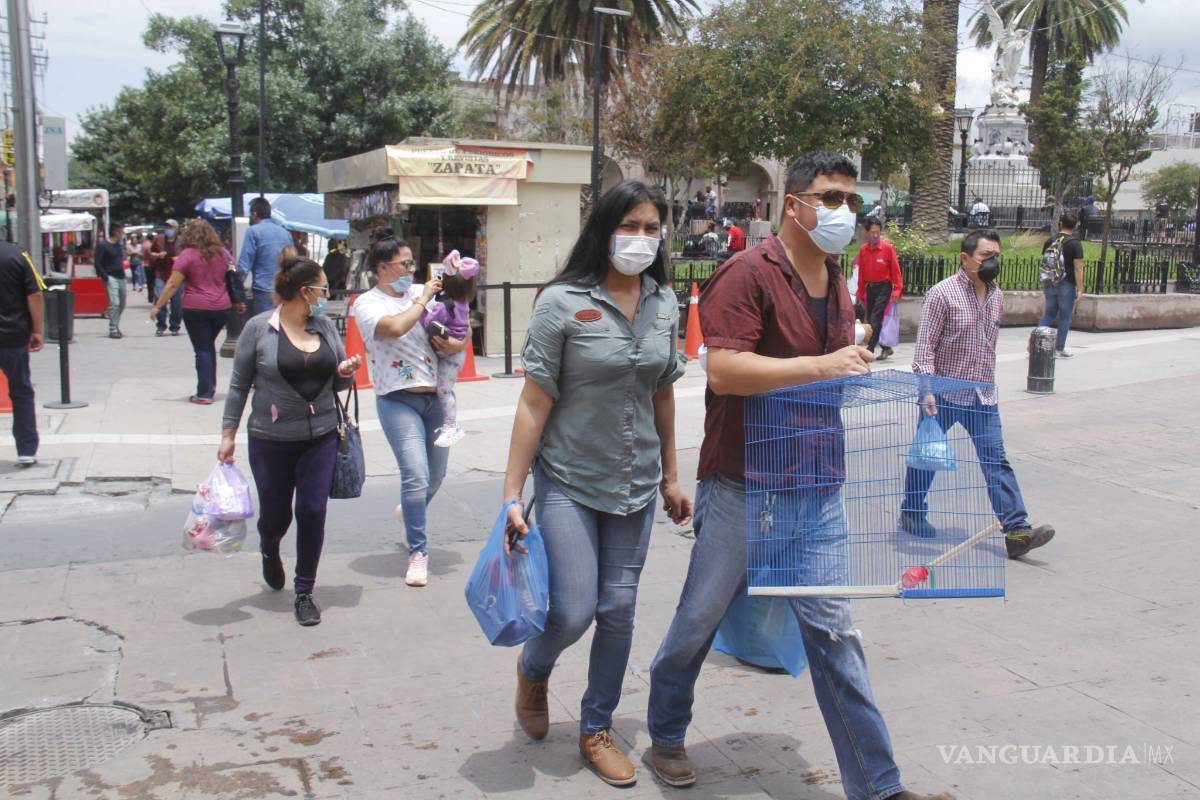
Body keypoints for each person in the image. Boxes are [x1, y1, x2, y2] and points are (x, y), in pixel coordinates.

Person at [645, 152, 952, 800]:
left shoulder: (835, 279)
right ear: (795, 204)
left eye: (849, 199)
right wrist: (824, 365)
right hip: (743, 490)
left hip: (818, 489)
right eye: (830, 196)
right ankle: (666, 733)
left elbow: (833, 366)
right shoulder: (746, 273)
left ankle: (880, 785)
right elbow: (724, 370)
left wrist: (854, 365)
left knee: (837, 637)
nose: (843, 211)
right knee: (696, 624)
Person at [504, 180, 690, 787]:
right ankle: (534, 668)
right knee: (574, 609)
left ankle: (595, 727)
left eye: (650, 228)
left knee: (619, 608)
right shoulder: (562, 302)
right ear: (604, 230)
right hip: (567, 478)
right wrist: (510, 494)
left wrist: (671, 474)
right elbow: (534, 403)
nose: (640, 238)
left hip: (635, 482)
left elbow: (661, 391)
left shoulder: (665, 304)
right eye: (629, 226)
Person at [219, 252, 361, 626]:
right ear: (305, 291)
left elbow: (339, 380)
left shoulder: (325, 327)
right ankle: (269, 548)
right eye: (322, 288)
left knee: (312, 511)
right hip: (271, 438)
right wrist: (228, 434)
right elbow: (239, 385)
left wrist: (346, 371)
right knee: (276, 515)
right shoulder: (258, 329)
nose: (325, 294)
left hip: (322, 435)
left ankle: (304, 591)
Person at [900, 230, 1055, 562]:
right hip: (941, 394)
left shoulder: (998, 295)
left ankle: (1016, 531)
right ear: (965, 258)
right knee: (927, 458)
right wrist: (926, 390)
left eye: (996, 255)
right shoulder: (942, 294)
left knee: (996, 461)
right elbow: (925, 347)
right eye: (986, 256)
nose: (993, 262)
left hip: (982, 395)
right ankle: (912, 511)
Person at [351, 227, 462, 588]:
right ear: (384, 268)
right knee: (415, 474)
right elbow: (395, 328)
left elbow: (459, 325)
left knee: (436, 475)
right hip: (397, 398)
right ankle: (418, 552)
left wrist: (456, 343)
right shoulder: (367, 304)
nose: (412, 271)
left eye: (413, 263)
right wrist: (422, 298)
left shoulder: (423, 292)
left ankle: (409, 511)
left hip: (437, 399)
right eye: (405, 264)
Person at [150, 219, 238, 404]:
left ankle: (204, 393)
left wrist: (158, 306)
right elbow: (235, 274)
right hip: (222, 307)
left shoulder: (187, 255)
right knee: (207, 347)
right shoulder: (223, 253)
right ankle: (209, 387)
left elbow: (173, 283)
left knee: (203, 349)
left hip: (196, 307)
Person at [420, 250, 479, 448]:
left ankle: (451, 426)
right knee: (444, 388)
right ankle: (447, 424)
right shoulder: (463, 303)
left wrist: (418, 306)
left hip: (447, 355)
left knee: (444, 389)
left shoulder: (444, 306)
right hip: (456, 354)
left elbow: (428, 322)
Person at [0, 241, 44, 466]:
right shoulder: (17, 254)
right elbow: (34, 294)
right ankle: (26, 450)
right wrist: (37, 330)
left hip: (13, 336)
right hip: (13, 336)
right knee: (21, 392)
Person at [853, 217, 903, 360]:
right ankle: (886, 347)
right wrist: (860, 292)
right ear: (867, 232)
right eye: (872, 232)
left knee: (875, 319)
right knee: (873, 319)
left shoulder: (887, 249)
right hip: (870, 288)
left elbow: (896, 271)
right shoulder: (863, 250)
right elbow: (862, 273)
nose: (875, 235)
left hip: (884, 288)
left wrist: (897, 290)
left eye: (878, 232)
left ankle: (869, 351)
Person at [1037, 211, 1085, 358]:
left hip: (1050, 282)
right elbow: (1078, 268)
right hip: (1067, 284)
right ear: (1075, 226)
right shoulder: (1075, 244)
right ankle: (1059, 349)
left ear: (1060, 223)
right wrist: (1081, 288)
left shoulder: (1050, 240)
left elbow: (1046, 262)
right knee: (1065, 316)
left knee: (1049, 314)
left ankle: (1036, 345)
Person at [239, 197, 296, 315]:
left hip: (263, 288)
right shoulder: (285, 233)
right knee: (282, 324)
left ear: (254, 214)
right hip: (283, 288)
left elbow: (244, 264)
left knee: (265, 326)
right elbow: (292, 261)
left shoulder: (253, 231)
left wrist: (237, 290)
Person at [94, 223, 127, 339]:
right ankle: (112, 329)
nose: (122, 234)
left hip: (121, 277)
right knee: (115, 303)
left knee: (122, 304)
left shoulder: (119, 245)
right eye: (120, 231)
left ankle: (116, 324)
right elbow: (97, 262)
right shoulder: (103, 245)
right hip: (110, 277)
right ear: (115, 232)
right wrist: (105, 276)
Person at [149, 219, 182, 336]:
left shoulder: (181, 241)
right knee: (160, 298)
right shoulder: (159, 239)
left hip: (177, 274)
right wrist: (158, 255)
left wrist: (179, 258)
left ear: (176, 229)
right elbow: (150, 253)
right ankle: (161, 325)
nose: (168, 229)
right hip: (161, 273)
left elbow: (187, 255)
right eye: (167, 227)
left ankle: (175, 326)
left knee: (176, 302)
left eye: (171, 227)